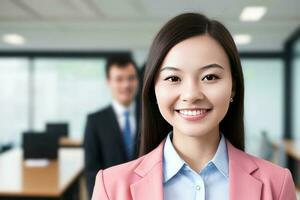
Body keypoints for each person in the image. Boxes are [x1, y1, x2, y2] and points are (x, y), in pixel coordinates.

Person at [92, 13, 297, 200]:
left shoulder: (276, 184)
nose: (191, 95)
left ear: (233, 87)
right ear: (153, 89)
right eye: (173, 78)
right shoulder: (111, 187)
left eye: (210, 77)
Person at [84, 55, 141, 198]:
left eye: (131, 78)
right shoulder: (95, 121)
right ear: (108, 82)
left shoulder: (151, 117)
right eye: (119, 79)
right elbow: (92, 171)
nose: (126, 85)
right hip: (111, 195)